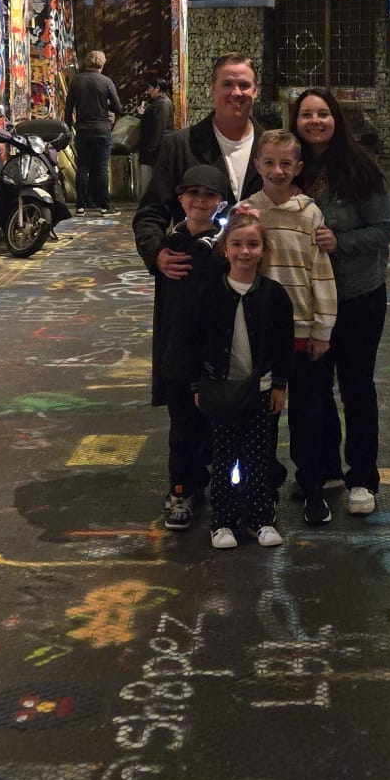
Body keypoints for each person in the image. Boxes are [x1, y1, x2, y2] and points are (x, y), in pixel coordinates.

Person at [290, 87, 390, 518]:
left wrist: (341, 242)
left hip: (358, 295)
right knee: (313, 388)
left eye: (323, 114)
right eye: (306, 114)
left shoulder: (361, 168)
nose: (315, 121)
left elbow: (385, 228)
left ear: (337, 119)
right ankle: (326, 469)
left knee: (356, 387)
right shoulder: (289, 166)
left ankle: (363, 478)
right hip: (306, 300)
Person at [236, 132, 337, 524]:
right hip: (261, 336)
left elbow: (321, 275)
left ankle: (312, 486)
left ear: (298, 168)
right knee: (262, 418)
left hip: (302, 334)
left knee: (309, 414)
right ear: (257, 165)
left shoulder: (309, 214)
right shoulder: (248, 212)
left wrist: (321, 330)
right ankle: (264, 486)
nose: (277, 170)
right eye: (269, 162)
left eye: (285, 164)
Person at [191, 214, 293, 551]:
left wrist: (279, 385)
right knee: (223, 458)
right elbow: (196, 342)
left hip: (260, 392)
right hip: (220, 392)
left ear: (263, 250)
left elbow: (283, 344)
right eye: (236, 244)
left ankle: (260, 519)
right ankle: (222, 521)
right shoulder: (209, 293)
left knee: (258, 458)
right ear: (225, 249)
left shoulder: (274, 295)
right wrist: (197, 386)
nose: (244, 251)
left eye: (252, 244)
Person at [133, 55, 264, 288]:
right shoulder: (180, 146)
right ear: (213, 88)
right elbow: (150, 212)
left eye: (244, 85)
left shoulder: (271, 148)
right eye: (227, 84)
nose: (236, 92)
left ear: (256, 90)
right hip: (196, 279)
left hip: (258, 280)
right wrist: (157, 253)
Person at [150, 163, 227, 532]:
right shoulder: (169, 246)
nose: (200, 201)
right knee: (181, 428)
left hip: (211, 356)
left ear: (221, 202)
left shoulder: (222, 250)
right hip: (178, 354)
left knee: (214, 428)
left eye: (209, 195)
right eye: (193, 193)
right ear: (180, 198)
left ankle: (218, 487)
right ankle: (181, 489)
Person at [64, 49, 122, 215]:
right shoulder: (106, 82)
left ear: (86, 63)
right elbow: (118, 107)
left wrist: (68, 127)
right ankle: (104, 206)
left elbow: (69, 107)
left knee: (83, 167)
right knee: (101, 168)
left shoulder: (76, 81)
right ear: (102, 64)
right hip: (102, 130)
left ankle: (80, 206)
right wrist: (105, 105)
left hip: (83, 130)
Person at [137, 72, 174, 176]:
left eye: (150, 88)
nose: (149, 92)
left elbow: (159, 127)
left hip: (156, 151)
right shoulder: (159, 102)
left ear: (157, 88)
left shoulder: (162, 104)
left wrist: (151, 148)